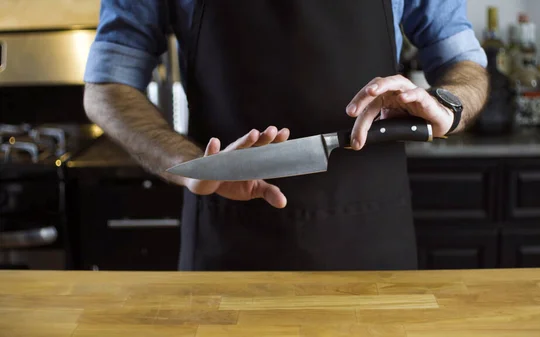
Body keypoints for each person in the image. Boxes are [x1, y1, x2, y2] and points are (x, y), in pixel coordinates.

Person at [83, 0, 489, 271]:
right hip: (228, 245)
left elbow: (464, 63)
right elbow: (106, 88)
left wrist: (449, 105)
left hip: (372, 243)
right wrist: (189, 165)